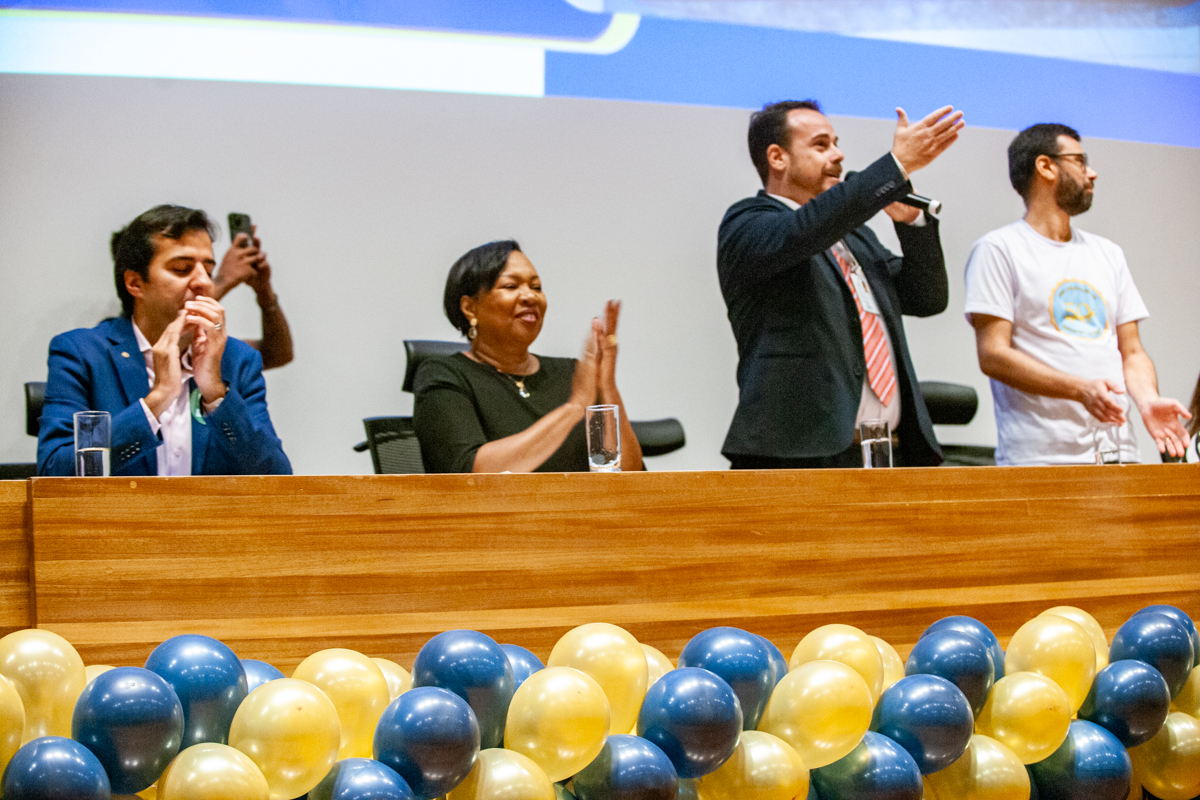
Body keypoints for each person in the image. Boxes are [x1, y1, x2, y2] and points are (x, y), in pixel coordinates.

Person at [718, 99, 964, 469]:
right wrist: (894, 166)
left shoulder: (855, 238)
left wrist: (912, 222)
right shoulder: (749, 223)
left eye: (836, 143)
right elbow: (806, 229)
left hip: (887, 453)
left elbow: (925, 298)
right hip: (801, 459)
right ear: (777, 157)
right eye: (821, 145)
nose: (838, 155)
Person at [964, 123, 1191, 465]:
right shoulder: (999, 249)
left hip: (1117, 453)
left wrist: (1147, 401)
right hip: (1040, 459)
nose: (1092, 173)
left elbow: (1131, 352)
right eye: (1080, 161)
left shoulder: (1107, 253)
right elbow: (994, 354)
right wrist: (1080, 389)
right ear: (1045, 166)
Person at [36, 205, 292, 476]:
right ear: (135, 283)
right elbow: (55, 471)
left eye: (208, 270)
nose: (203, 282)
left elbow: (278, 478)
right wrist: (158, 398)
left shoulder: (237, 360)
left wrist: (216, 392)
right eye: (182, 268)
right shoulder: (83, 353)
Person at [413, 240, 643, 473]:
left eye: (536, 287)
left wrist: (607, 387)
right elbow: (472, 475)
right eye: (511, 286)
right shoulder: (443, 376)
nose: (530, 297)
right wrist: (574, 408)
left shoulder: (572, 375)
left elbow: (627, 475)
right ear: (470, 308)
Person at [210, 223, 294, 370]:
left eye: (207, 272)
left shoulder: (202, 345)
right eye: (181, 269)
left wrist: (265, 294)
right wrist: (221, 283)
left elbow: (275, 355)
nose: (200, 280)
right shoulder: (169, 344)